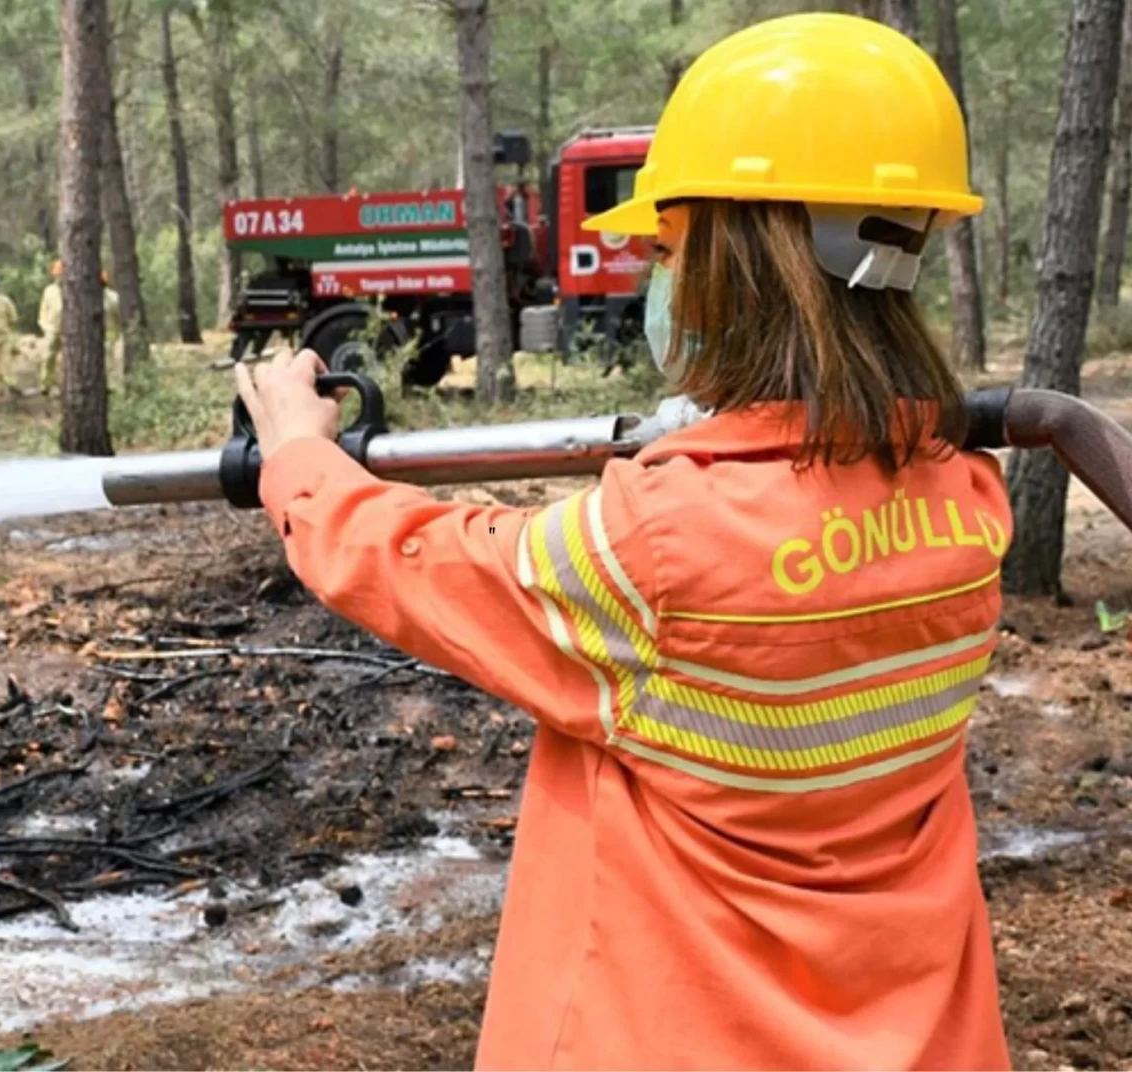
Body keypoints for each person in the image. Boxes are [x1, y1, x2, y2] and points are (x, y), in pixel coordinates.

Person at [235, 13, 1012, 1070]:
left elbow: (420, 559)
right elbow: (815, 503)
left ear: (741, 259)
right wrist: (728, 430)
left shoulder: (655, 547)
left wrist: (297, 456)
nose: (656, 275)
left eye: (667, 249)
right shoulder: (965, 500)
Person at [39, 260, 63, 395]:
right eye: (57, 274)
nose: (59, 277)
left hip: (68, 330)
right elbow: (43, 310)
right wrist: (44, 325)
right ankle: (46, 384)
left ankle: (62, 384)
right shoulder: (49, 290)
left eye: (61, 274)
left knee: (66, 360)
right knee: (48, 357)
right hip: (51, 329)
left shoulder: (71, 290)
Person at [101, 269, 124, 394]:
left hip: (112, 336)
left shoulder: (113, 298)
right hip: (104, 336)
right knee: (108, 363)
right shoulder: (113, 297)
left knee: (114, 362)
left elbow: (119, 318)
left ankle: (114, 387)